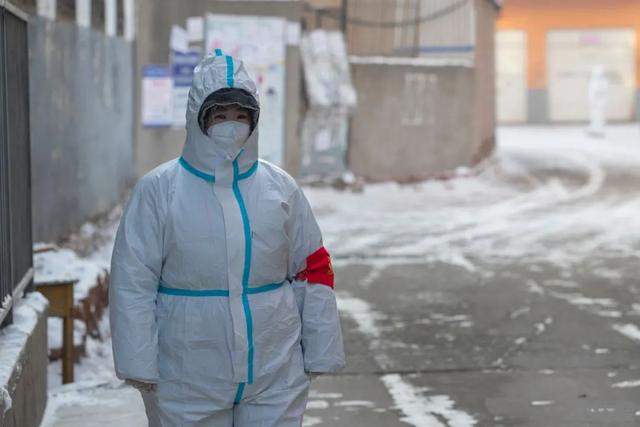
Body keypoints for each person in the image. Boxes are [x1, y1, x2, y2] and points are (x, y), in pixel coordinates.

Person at [109, 50, 345, 426]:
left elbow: (311, 269)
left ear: (255, 121)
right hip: (187, 373)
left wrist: (320, 348)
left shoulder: (279, 188)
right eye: (220, 115)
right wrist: (137, 361)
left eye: (241, 116)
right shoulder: (159, 190)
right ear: (198, 119)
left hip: (274, 367)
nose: (231, 125)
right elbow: (132, 280)